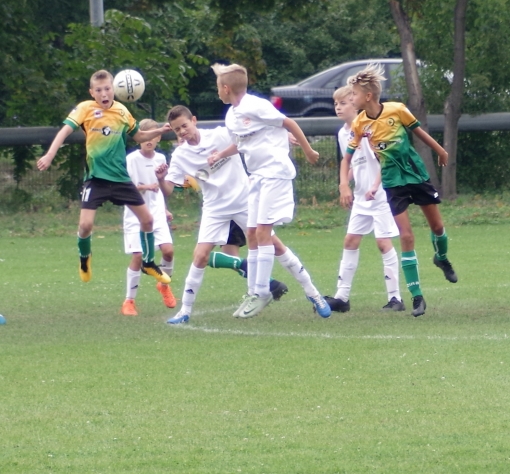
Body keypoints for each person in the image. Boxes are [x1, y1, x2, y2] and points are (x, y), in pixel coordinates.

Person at [160, 105, 326, 324]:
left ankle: (314, 294)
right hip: (214, 208)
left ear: (194, 120)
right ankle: (184, 311)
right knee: (200, 256)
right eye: (177, 129)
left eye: (184, 125)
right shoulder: (180, 155)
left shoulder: (219, 134)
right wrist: (162, 179)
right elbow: (169, 189)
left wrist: (282, 135)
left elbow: (252, 137)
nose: (182, 131)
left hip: (244, 201)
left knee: (275, 246)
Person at [207, 63, 330, 319]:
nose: (217, 90)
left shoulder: (255, 105)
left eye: (218, 86)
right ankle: (286, 291)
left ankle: (262, 292)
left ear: (226, 88)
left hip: (276, 173)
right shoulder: (232, 115)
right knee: (253, 234)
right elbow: (242, 143)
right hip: (257, 178)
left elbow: (288, 123)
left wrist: (307, 150)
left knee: (262, 232)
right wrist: (221, 154)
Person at [36, 69, 171, 286]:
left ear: (114, 90)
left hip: (120, 178)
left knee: (147, 220)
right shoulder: (85, 109)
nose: (104, 93)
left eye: (107, 88)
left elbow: (138, 135)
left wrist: (159, 131)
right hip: (96, 179)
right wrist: (50, 154)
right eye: (98, 90)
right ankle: (84, 258)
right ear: (92, 93)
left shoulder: (121, 111)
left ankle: (148, 262)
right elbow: (64, 131)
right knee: (85, 226)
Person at [343, 63, 457, 317]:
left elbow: (419, 133)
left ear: (368, 96)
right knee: (406, 236)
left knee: (437, 227)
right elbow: (347, 158)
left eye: (355, 95)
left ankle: (441, 257)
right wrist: (343, 183)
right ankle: (417, 297)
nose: (351, 99)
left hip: (416, 175)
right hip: (393, 183)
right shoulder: (360, 124)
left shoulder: (397, 110)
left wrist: (440, 150)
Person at [325, 85, 403, 313]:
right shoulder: (343, 133)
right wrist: (344, 185)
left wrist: (375, 186)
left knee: (383, 242)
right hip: (361, 197)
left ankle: (395, 298)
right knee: (350, 241)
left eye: (344, 103)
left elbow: (385, 159)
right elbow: (351, 163)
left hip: (380, 195)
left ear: (356, 103)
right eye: (336, 104)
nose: (338, 107)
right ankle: (342, 297)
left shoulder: (369, 128)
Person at [120, 119, 176, 316]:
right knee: (138, 256)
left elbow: (161, 189)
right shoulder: (131, 160)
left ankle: (163, 285)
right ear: (139, 138)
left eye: (153, 135)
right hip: (136, 214)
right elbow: (123, 188)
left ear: (158, 137)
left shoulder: (160, 159)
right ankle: (129, 301)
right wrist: (145, 187)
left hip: (157, 214)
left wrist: (165, 209)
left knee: (168, 251)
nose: (149, 140)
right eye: (145, 135)